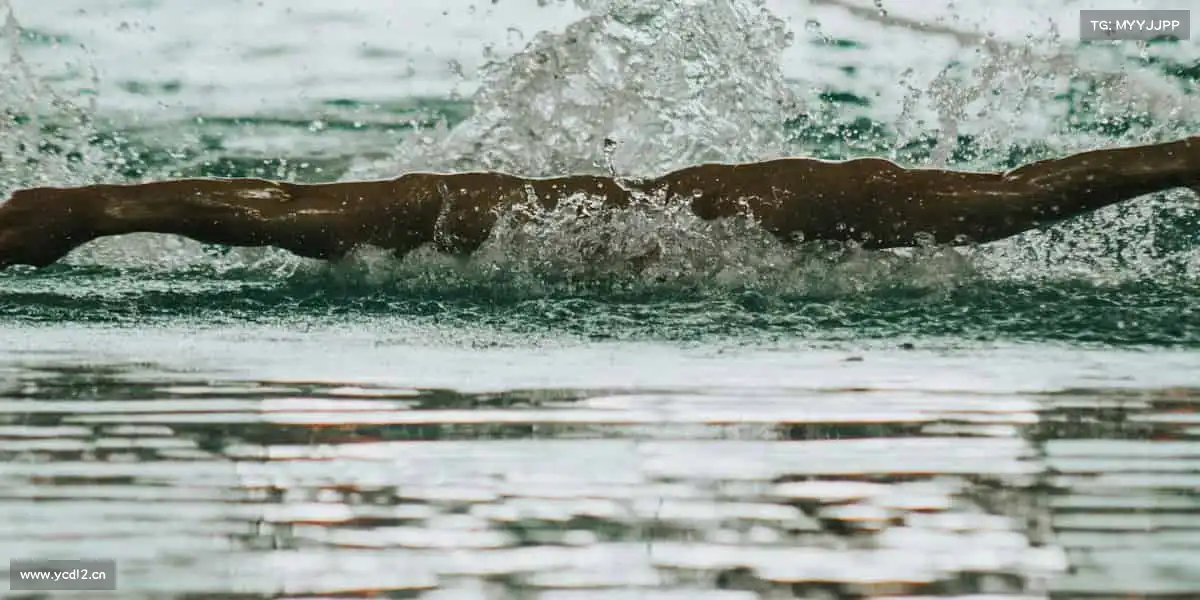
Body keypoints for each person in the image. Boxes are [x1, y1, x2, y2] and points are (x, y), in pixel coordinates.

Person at [0, 136, 1197, 269]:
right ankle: (78, 209)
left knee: (314, 218)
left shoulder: (829, 207)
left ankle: (80, 208)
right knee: (309, 219)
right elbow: (1036, 191)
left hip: (761, 206)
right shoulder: (830, 207)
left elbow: (1034, 192)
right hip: (488, 210)